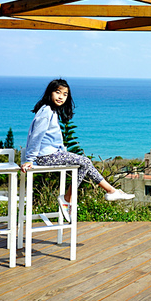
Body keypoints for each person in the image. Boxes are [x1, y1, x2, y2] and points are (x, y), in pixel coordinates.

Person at [21, 79, 133, 216]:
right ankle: (77, 197)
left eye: (65, 94)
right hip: (44, 157)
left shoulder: (51, 110)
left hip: (51, 154)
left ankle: (110, 191)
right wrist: (30, 159)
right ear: (50, 93)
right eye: (57, 92)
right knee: (85, 161)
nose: (61, 97)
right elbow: (36, 135)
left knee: (85, 163)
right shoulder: (47, 111)